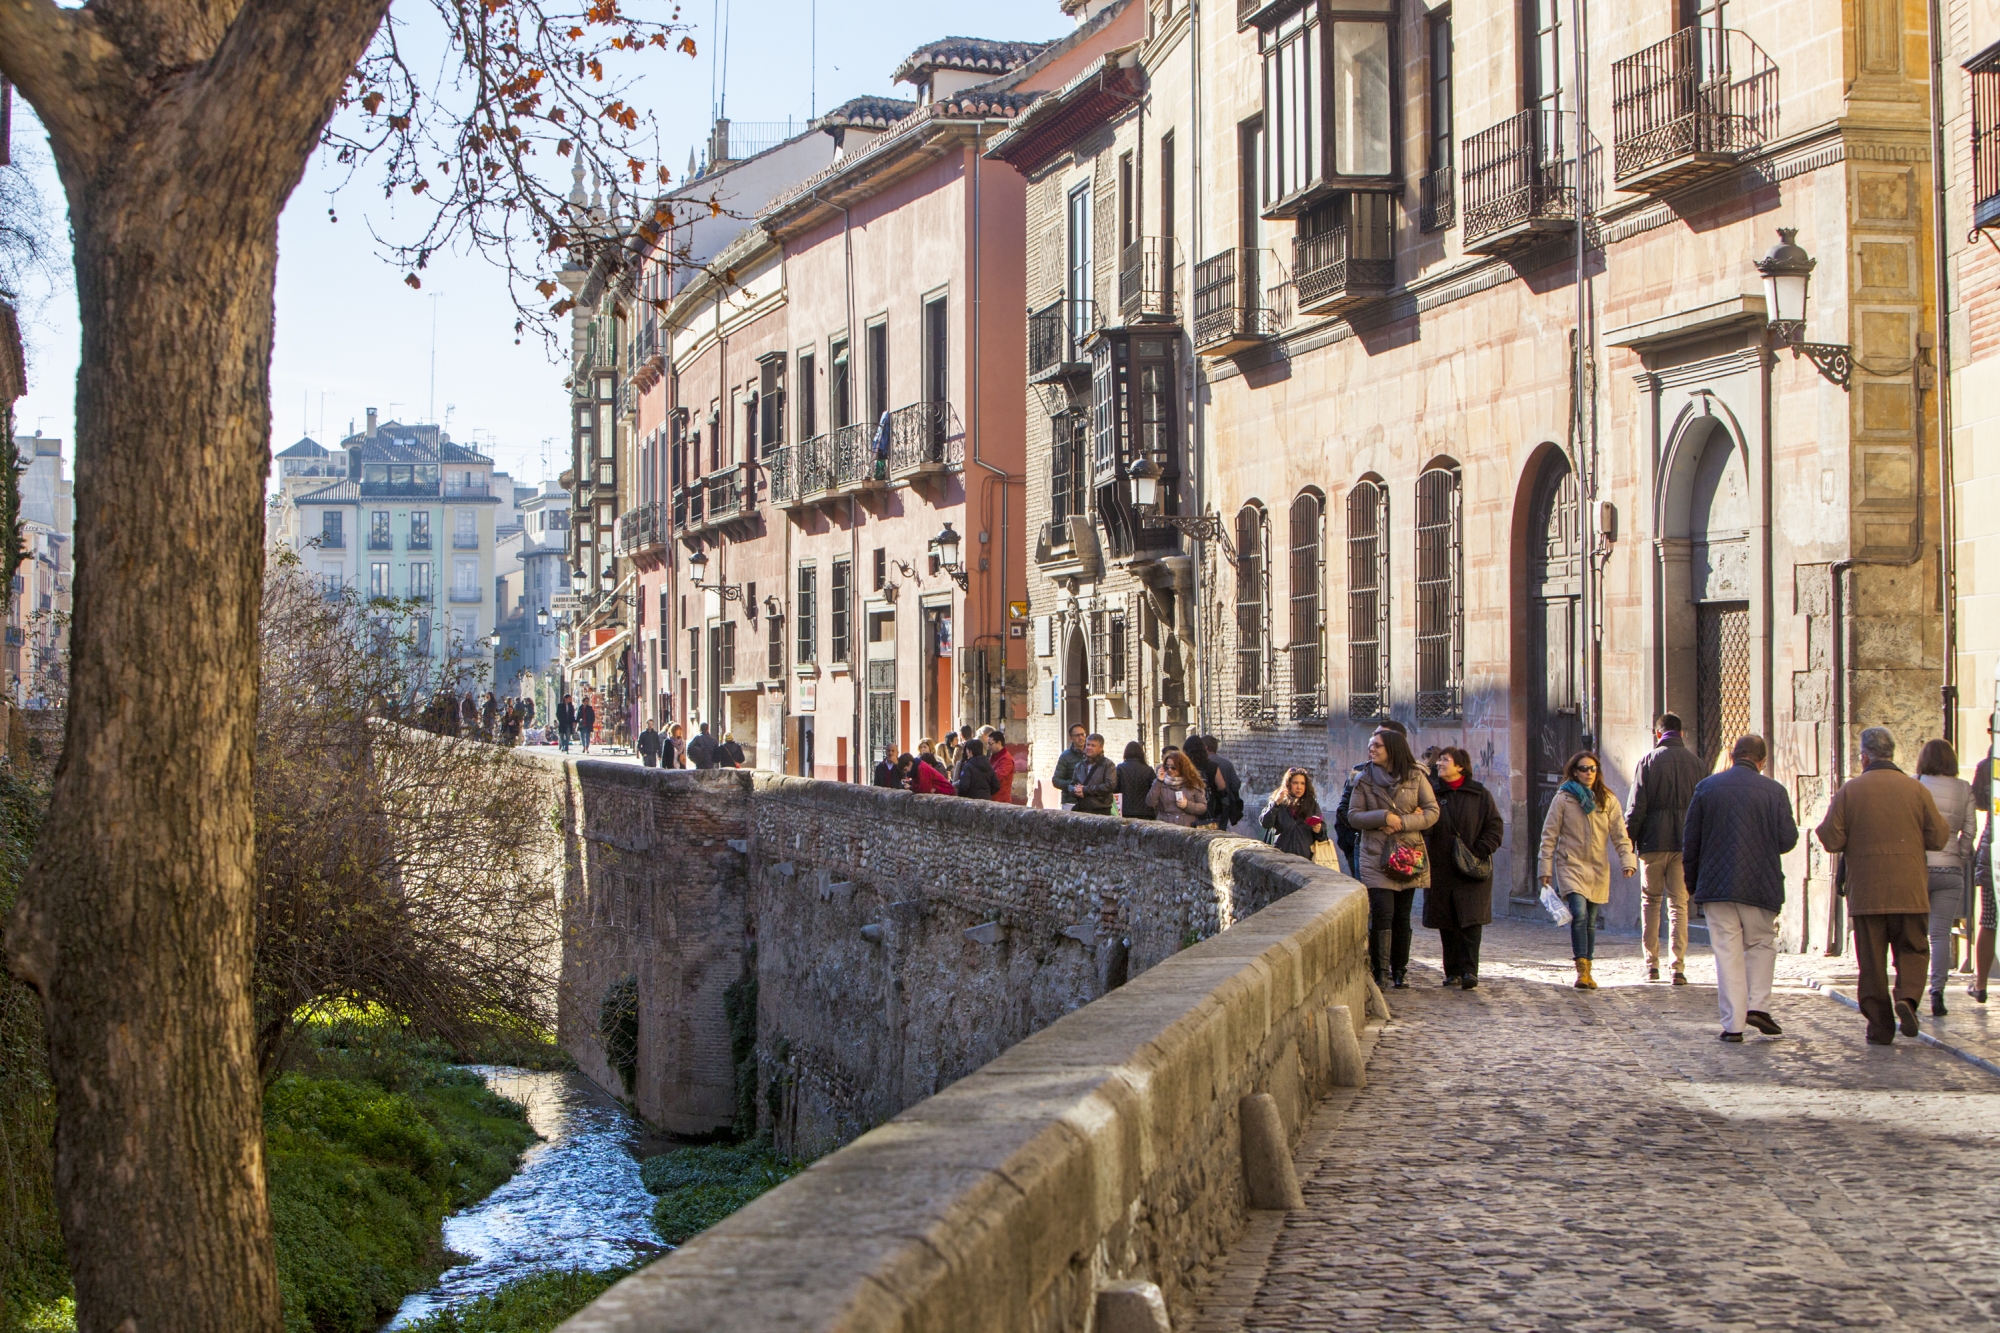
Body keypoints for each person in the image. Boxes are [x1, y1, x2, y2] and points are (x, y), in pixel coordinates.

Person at [1817, 727, 1952, 1044]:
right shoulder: (1916, 790)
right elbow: (1938, 837)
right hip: (1909, 888)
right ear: (1892, 754)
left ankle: (1880, 1027)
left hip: (1868, 891)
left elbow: (1831, 838)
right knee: (1913, 948)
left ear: (1864, 757)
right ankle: (1907, 997)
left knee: (1872, 962)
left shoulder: (1850, 791)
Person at [1682, 734, 1799, 1041]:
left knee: (1727, 951)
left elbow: (1691, 841)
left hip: (1716, 885)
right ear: (1762, 762)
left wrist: (1692, 883)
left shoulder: (1706, 788)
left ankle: (1733, 1024)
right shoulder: (1775, 791)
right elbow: (1788, 839)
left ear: (1732, 757)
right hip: (1760, 883)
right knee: (1761, 943)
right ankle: (1758, 1005)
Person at [1346, 728, 1440, 990]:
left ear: (1393, 749)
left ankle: (1400, 970)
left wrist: (1402, 823)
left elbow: (1432, 811)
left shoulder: (1416, 777)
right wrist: (1383, 817)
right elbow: (1353, 816)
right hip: (1376, 854)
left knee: (1402, 915)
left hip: (1407, 853)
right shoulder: (1363, 779)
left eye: (1377, 745)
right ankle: (1381, 971)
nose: (1372, 749)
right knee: (1382, 912)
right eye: (1371, 744)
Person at [1538, 750, 1638, 991]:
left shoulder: (1607, 799)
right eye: (1584, 769)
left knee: (1591, 920)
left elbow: (1620, 834)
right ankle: (1581, 969)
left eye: (1593, 769)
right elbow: (1549, 835)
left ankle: (1588, 969)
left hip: (1597, 867)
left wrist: (1627, 861)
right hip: (1570, 864)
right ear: (1575, 772)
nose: (1589, 773)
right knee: (1579, 913)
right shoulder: (1563, 799)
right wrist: (1545, 868)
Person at [1624, 712, 1708, 985]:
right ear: (1681, 734)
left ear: (1658, 734)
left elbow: (1636, 808)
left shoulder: (1648, 762)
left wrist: (1629, 843)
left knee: (1651, 901)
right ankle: (1677, 967)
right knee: (1679, 905)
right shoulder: (1697, 764)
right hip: (1684, 844)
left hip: (1653, 843)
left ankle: (1651, 965)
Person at [1421, 747, 1505, 990]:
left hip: (1472, 868)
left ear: (1460, 766)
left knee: (1471, 921)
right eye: (1440, 760)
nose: (1439, 763)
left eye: (1445, 760)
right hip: (1442, 868)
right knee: (1447, 922)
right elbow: (1424, 826)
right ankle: (1452, 971)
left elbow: (1494, 827)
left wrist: (1479, 850)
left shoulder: (1480, 794)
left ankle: (1470, 971)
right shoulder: (1432, 794)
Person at [1916, 739, 1977, 1017]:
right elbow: (1969, 830)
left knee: (1913, 934)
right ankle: (1937, 991)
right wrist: (1959, 857)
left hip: (1919, 868)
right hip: (1950, 869)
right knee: (1939, 934)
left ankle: (1910, 992)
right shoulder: (1964, 788)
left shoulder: (1916, 783)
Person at [1336, 719, 1410, 878]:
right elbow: (1344, 810)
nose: (1373, 745)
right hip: (1365, 847)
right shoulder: (1360, 773)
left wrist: (1400, 823)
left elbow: (1427, 812)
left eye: (1381, 739)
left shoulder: (1413, 775)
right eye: (1374, 737)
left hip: (1404, 848)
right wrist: (1376, 825)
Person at [1261, 768, 1328, 859]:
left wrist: (1318, 830)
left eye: (1302, 783)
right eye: (1295, 783)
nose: (1299, 787)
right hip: (1280, 858)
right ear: (1288, 784)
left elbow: (1323, 837)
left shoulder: (1312, 806)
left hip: (1304, 859)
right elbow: (1266, 823)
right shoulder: (1279, 803)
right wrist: (1275, 803)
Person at [1147, 750, 1209, 827]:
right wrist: (1159, 781)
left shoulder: (1193, 783)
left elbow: (1203, 807)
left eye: (1173, 767)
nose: (1169, 770)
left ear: (1182, 767)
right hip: (1166, 826)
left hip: (1187, 827)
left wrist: (1187, 805)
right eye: (1167, 767)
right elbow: (1150, 802)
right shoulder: (1160, 782)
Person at [1200, 735, 1245, 830]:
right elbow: (1235, 784)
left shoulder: (1203, 763)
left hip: (1206, 806)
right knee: (1221, 832)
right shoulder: (1226, 763)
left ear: (1206, 747)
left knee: (1206, 833)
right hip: (1224, 805)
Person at [1067, 734, 1119, 815]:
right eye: (1088, 744)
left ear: (1100, 748)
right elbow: (1072, 785)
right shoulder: (1079, 766)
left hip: (1101, 810)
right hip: (1082, 810)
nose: (1089, 748)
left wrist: (1086, 790)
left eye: (1093, 745)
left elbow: (1109, 786)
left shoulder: (1108, 765)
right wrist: (1075, 790)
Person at [1050, 724, 1088, 809]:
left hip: (1090, 801)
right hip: (1070, 802)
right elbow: (1056, 780)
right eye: (1077, 735)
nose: (1081, 738)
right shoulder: (1065, 756)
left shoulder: (1092, 754)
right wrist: (1074, 786)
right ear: (1071, 738)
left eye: (1083, 734)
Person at [1116, 741, 1156, 819]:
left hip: (1125, 810)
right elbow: (1153, 789)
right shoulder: (1148, 770)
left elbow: (1115, 787)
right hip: (1145, 811)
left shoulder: (1120, 768)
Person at [988, 729, 1016, 803]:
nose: (988, 746)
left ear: (999, 743)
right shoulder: (993, 757)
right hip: (993, 798)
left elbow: (997, 777)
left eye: (990, 744)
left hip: (1001, 800)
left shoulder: (1006, 759)